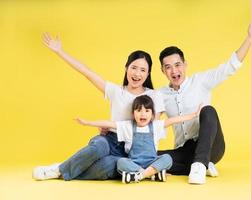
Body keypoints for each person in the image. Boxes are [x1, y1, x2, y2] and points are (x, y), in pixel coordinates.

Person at [32, 33, 165, 181]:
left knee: (108, 166)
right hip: (110, 139)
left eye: (142, 70)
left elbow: (154, 132)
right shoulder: (116, 91)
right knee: (98, 147)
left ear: (148, 74)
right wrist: (60, 51)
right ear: (126, 68)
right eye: (134, 67)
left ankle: (63, 168)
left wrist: (151, 164)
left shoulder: (154, 96)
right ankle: (58, 170)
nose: (137, 73)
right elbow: (87, 73)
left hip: (131, 151)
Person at [157, 15, 251, 184]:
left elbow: (230, 66)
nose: (174, 71)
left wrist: (250, 36)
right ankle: (200, 164)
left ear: (185, 64)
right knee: (152, 158)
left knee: (208, 110)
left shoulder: (201, 81)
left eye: (177, 64)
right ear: (163, 71)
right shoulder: (160, 95)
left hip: (213, 146)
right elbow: (148, 121)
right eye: (168, 67)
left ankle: (199, 166)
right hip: (185, 150)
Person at [75, 95, 202, 184]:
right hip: (133, 164)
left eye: (147, 111)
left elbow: (173, 120)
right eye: (139, 110)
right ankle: (150, 174)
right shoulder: (128, 127)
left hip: (152, 162)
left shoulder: (156, 127)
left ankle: (139, 176)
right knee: (120, 162)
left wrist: (194, 115)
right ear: (133, 114)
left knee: (167, 158)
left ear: (152, 115)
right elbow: (109, 123)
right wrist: (87, 123)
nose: (143, 114)